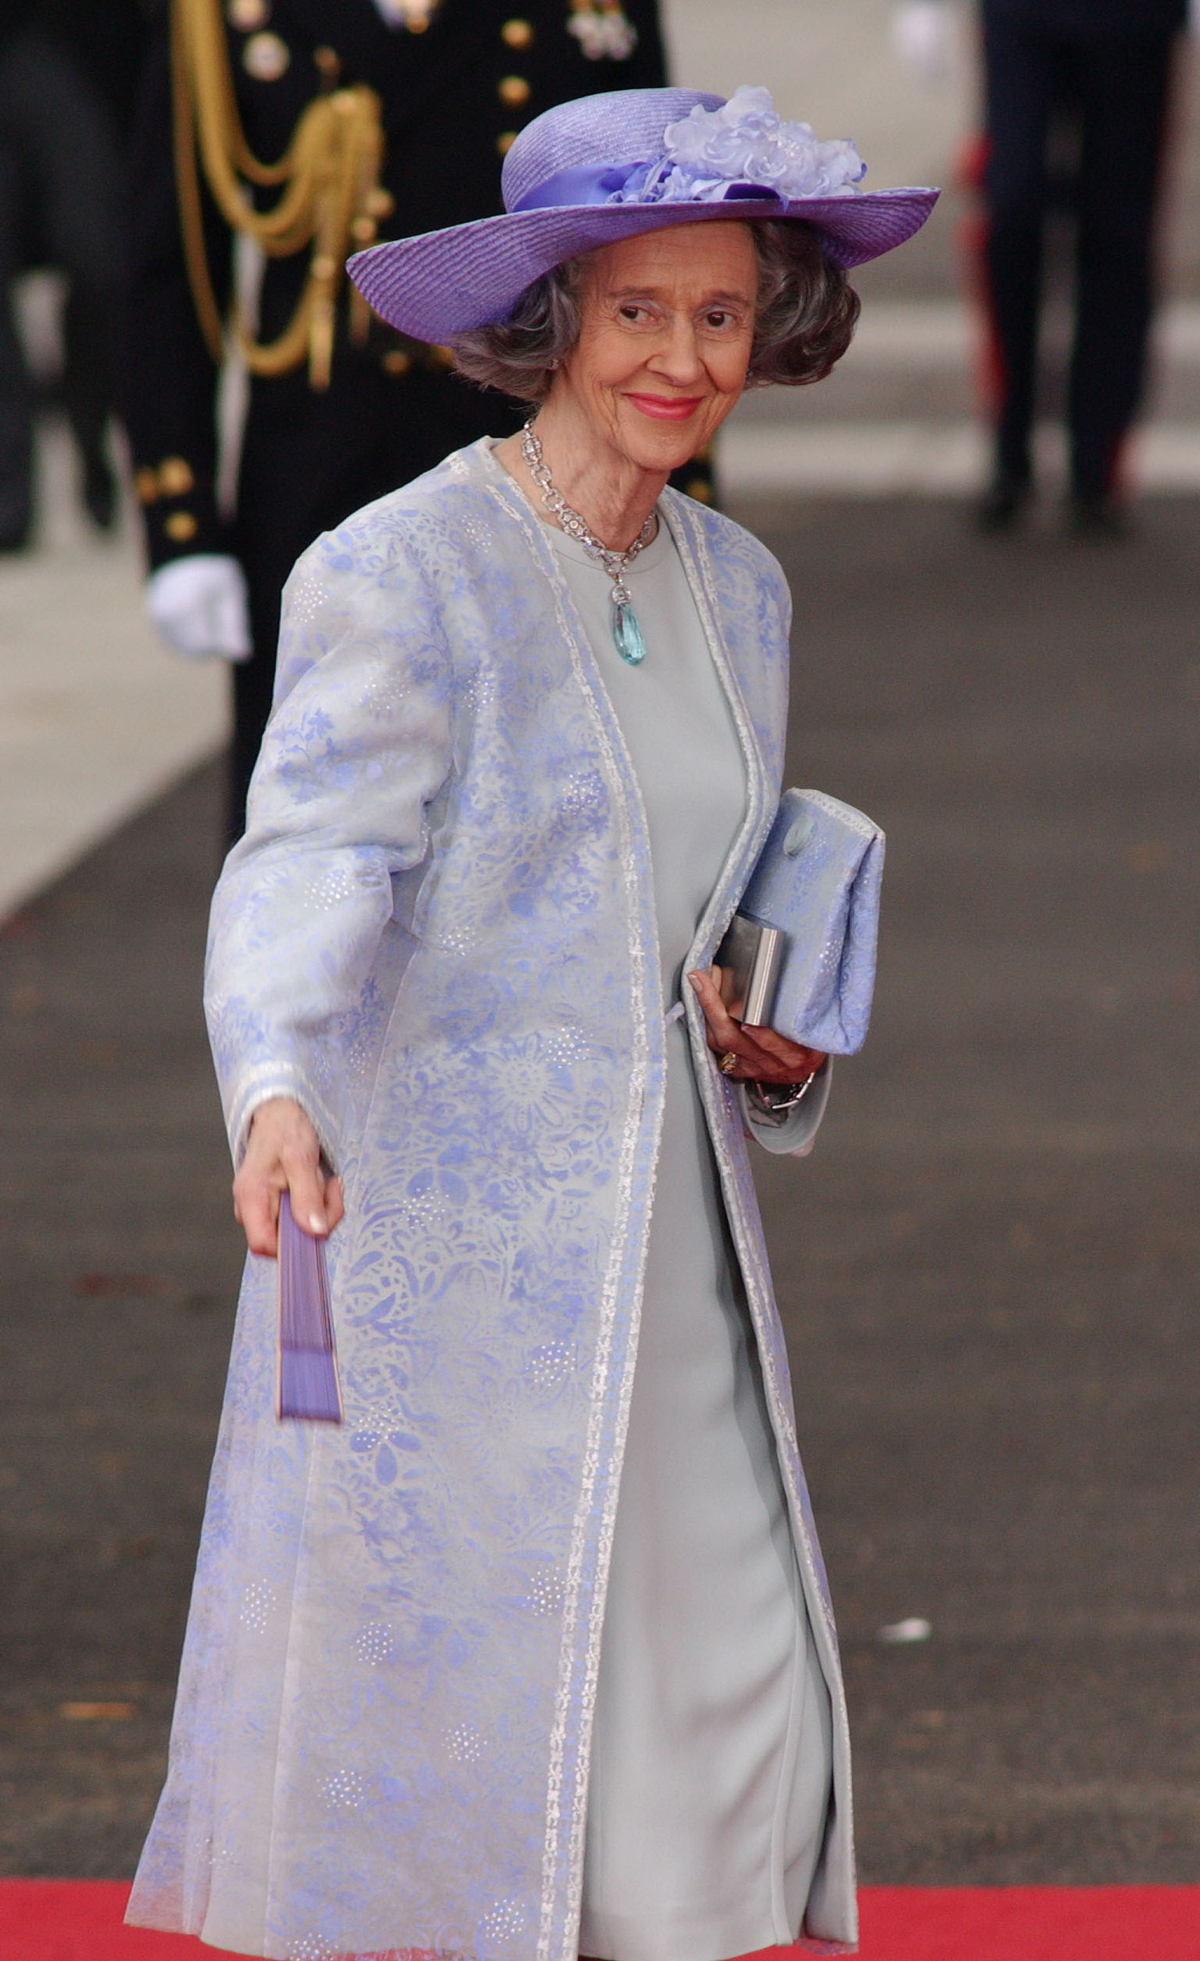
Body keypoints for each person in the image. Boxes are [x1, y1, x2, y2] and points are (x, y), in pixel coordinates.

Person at [125, 85, 936, 1961]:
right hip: (453, 1278)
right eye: (638, 311)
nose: (681, 357)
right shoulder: (396, 574)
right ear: (557, 320)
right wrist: (274, 1082)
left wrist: (765, 1027)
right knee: (498, 1770)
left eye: (720, 314)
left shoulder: (744, 588)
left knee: (728, 1721)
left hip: (682, 1264)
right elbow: (310, 858)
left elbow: (690, 901)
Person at [123, 0, 672, 839]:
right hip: (318, 453)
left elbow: (654, 242)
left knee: (537, 792)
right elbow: (171, 261)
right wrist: (180, 515)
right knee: (306, 805)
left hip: (530, 437)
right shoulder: (221, 16)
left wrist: (669, 478)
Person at [976, 0, 1187, 532]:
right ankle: (1010, 447)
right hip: (1022, 15)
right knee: (1011, 212)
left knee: (1119, 233)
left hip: (1135, 19)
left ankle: (1097, 466)